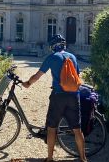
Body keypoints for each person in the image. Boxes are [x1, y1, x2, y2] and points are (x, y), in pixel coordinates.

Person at [22, 34, 87, 162]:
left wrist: (28, 83)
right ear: (64, 45)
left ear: (52, 46)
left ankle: (50, 158)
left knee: (52, 128)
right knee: (77, 130)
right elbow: (77, 76)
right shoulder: (73, 57)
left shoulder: (52, 57)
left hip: (58, 96)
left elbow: (37, 76)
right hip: (74, 96)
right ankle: (83, 158)